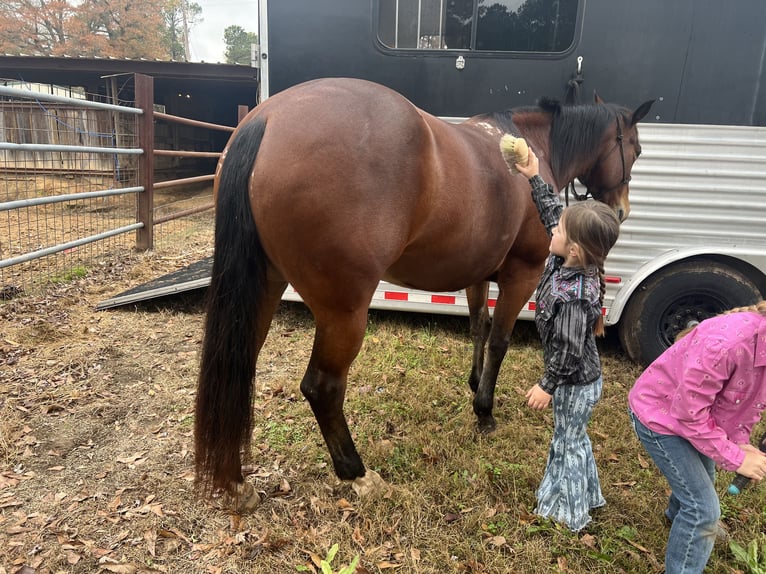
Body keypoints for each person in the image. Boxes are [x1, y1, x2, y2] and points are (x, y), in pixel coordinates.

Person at [515, 149, 621, 532]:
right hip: (578, 382)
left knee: (568, 443)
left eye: (559, 231)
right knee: (573, 437)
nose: (552, 231)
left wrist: (547, 385)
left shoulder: (574, 292)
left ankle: (571, 512)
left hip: (576, 384)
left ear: (573, 248)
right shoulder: (569, 260)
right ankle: (586, 495)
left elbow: (571, 350)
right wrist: (533, 176)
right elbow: (551, 217)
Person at [628, 301, 766, 574]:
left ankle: (676, 518)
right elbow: (688, 416)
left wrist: (739, 440)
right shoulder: (728, 344)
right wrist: (736, 458)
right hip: (662, 419)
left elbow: (748, 401)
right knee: (704, 510)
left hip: (701, 420)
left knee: (701, 481)